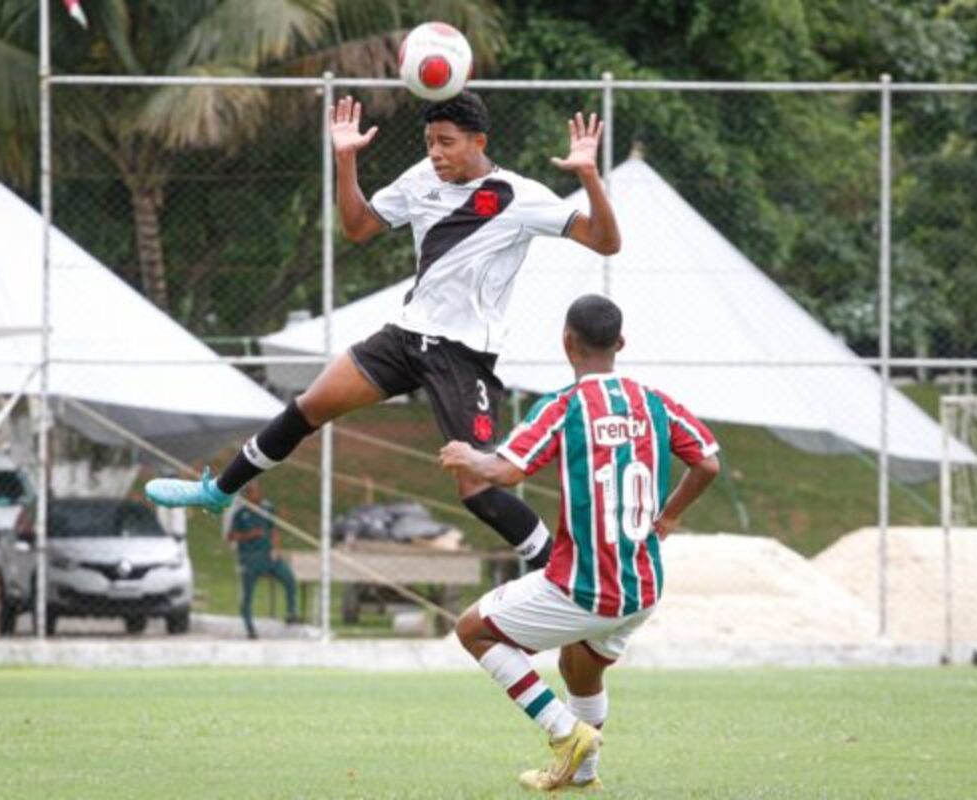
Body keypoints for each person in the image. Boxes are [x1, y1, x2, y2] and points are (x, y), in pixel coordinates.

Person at [146, 90, 621, 572]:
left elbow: (606, 241)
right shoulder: (420, 179)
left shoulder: (519, 197)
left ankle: (563, 574)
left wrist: (588, 177)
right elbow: (358, 227)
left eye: (447, 142)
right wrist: (346, 159)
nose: (435, 152)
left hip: (463, 357)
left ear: (479, 141)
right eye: (429, 141)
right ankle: (219, 492)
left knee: (477, 488)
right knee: (309, 406)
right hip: (405, 337)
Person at [440, 294, 721, 792]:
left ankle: (564, 734)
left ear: (567, 342)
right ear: (621, 343)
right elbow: (708, 461)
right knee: (580, 668)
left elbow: (506, 469)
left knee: (473, 631)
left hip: (581, 587)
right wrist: (672, 514)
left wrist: (468, 456)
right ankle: (582, 776)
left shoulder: (567, 407)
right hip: (643, 588)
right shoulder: (653, 402)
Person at [226, 481, 300, 638]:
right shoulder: (240, 513)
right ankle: (250, 628)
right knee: (247, 595)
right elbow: (231, 536)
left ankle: (291, 612)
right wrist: (249, 535)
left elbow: (273, 529)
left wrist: (276, 549)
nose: (256, 495)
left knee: (289, 578)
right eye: (252, 492)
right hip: (249, 559)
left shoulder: (267, 508)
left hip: (268, 556)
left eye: (257, 491)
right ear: (247, 495)